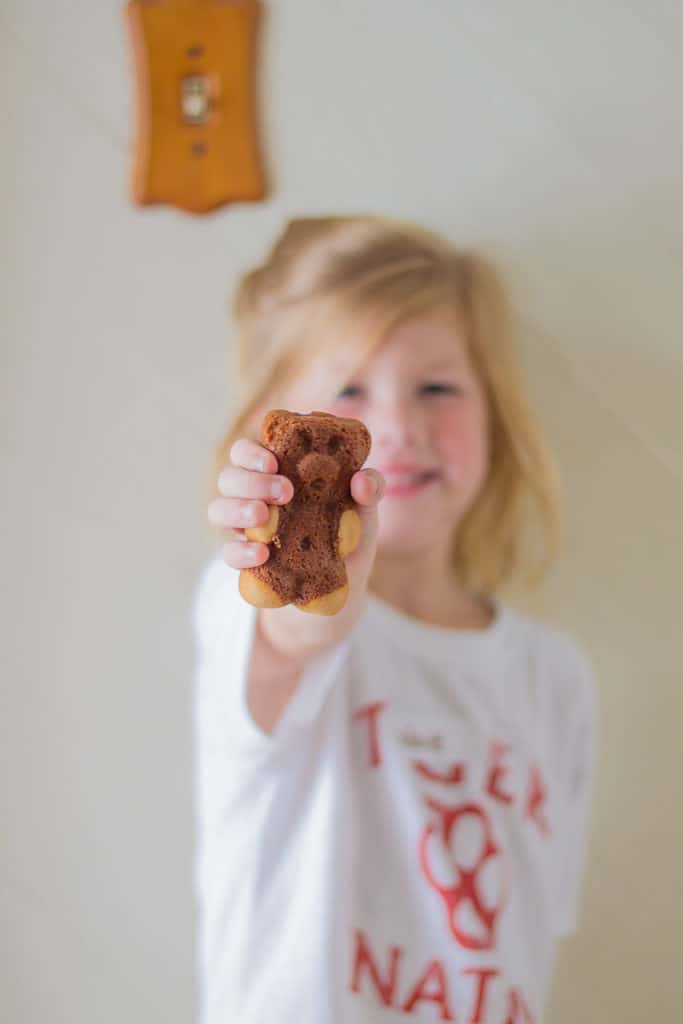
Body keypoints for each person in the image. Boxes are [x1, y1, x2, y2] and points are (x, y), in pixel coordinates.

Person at [191, 215, 599, 1024]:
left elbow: (537, 924)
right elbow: (297, 633)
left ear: (494, 411)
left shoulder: (554, 678)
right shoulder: (256, 604)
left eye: (437, 388)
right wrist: (306, 580)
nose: (400, 428)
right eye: (348, 392)